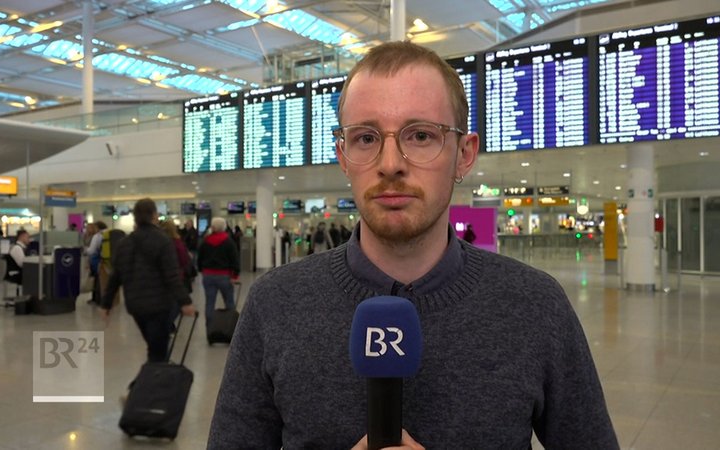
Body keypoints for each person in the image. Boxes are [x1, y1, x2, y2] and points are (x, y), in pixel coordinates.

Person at [207, 41, 617, 449]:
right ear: (343, 155)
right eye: (366, 138)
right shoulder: (275, 304)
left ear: (464, 154)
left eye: (420, 135)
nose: (390, 163)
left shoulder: (536, 305)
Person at [99, 198, 196, 363]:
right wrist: (185, 302)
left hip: (135, 304)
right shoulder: (163, 241)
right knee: (157, 352)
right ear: (154, 215)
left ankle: (154, 378)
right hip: (159, 304)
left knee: (154, 347)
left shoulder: (125, 243)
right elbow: (171, 275)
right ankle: (150, 383)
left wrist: (106, 304)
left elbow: (116, 276)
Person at [197, 217, 240, 330]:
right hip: (224, 276)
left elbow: (199, 258)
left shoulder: (205, 241)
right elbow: (234, 259)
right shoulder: (228, 241)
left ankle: (210, 328)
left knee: (209, 303)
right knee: (229, 302)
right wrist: (235, 275)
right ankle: (231, 328)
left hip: (208, 275)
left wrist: (202, 270)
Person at [84, 221, 107, 305]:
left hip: (98, 261)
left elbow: (91, 251)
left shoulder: (97, 236)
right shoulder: (110, 234)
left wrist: (85, 250)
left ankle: (97, 299)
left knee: (97, 280)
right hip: (109, 261)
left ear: (97, 227)